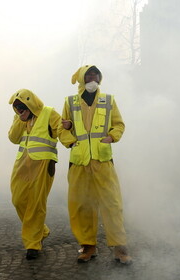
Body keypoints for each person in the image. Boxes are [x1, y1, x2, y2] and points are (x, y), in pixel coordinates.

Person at [59, 65, 132, 264]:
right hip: (79, 163)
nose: (93, 78)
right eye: (89, 75)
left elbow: (119, 124)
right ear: (82, 79)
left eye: (96, 75)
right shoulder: (70, 102)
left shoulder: (108, 100)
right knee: (81, 205)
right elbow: (61, 128)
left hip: (103, 161)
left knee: (112, 203)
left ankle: (120, 248)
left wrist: (111, 137)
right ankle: (88, 246)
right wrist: (70, 140)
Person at [8, 89, 61, 260]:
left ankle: (33, 244)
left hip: (43, 164)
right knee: (18, 200)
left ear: (31, 103)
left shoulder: (48, 113)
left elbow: (63, 129)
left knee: (36, 204)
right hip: (22, 164)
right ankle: (42, 231)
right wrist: (20, 119)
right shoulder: (20, 118)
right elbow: (13, 138)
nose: (19, 109)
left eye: (22, 107)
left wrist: (73, 141)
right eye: (16, 108)